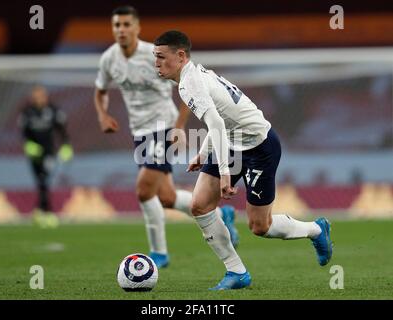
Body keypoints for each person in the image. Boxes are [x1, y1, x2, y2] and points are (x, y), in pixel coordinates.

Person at [153, 30, 333, 290]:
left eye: (160, 57)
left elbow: (215, 121)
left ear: (180, 56)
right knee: (200, 205)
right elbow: (220, 120)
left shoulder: (189, 83)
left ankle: (316, 229)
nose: (156, 63)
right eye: (154, 57)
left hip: (260, 147)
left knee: (260, 226)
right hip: (232, 143)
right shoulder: (192, 76)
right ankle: (236, 272)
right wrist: (204, 154)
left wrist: (224, 173)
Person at [94, 6, 239, 269]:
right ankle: (221, 214)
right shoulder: (109, 59)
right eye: (117, 25)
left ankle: (158, 253)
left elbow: (186, 87)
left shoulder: (156, 55)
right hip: (139, 131)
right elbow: (100, 90)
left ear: (137, 28)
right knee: (166, 197)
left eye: (127, 25)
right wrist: (102, 114)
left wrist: (179, 125)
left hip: (162, 127)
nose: (121, 30)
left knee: (143, 189)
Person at [19, 85, 74, 228]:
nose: (39, 98)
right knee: (40, 181)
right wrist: (28, 145)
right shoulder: (27, 113)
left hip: (49, 152)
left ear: (46, 96)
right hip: (34, 153)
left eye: (41, 95)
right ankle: (39, 211)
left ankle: (47, 212)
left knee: (44, 180)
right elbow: (24, 133)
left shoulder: (53, 110)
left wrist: (66, 145)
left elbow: (62, 130)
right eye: (36, 96)